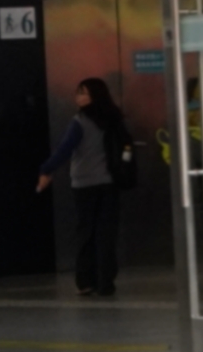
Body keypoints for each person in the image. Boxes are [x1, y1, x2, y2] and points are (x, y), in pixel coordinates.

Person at [34, 75, 138, 298]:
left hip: (84, 185)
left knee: (86, 233)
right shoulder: (114, 119)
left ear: (93, 96)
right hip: (109, 184)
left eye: (82, 92)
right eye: (77, 92)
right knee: (106, 234)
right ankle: (106, 282)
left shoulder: (79, 122)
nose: (77, 97)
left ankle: (85, 281)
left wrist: (46, 169)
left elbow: (64, 150)